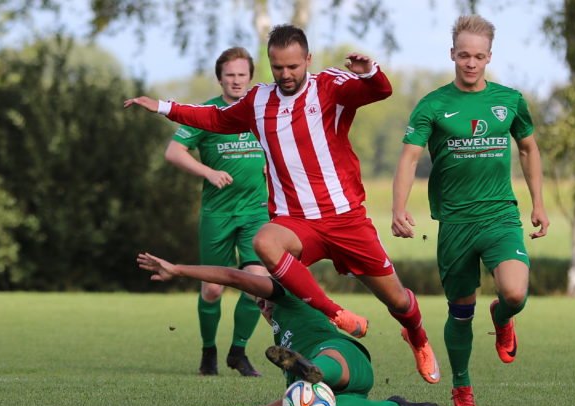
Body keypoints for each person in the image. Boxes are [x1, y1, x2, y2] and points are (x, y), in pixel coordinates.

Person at [124, 24, 441, 386]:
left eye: (293, 66)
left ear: (308, 59)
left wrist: (370, 72)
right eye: (278, 67)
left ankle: (417, 336)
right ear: (270, 64)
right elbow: (214, 118)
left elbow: (380, 91)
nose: (286, 74)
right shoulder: (258, 100)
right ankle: (333, 314)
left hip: (345, 219)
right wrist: (163, 106)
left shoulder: (330, 86)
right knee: (264, 242)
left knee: (398, 302)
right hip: (296, 222)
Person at [391, 15, 550, 406]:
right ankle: (462, 386)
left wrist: (539, 203)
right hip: (455, 224)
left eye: (479, 56)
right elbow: (409, 158)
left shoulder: (510, 101)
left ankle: (503, 317)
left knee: (515, 292)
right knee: (461, 312)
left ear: (489, 57)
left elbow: (529, 149)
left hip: (500, 217)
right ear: (452, 54)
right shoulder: (433, 105)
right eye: (464, 55)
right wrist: (398, 208)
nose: (471, 63)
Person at [136, 251, 445, 406]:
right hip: (346, 390)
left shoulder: (288, 293)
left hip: (348, 360)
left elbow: (231, 276)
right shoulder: (281, 338)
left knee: (324, 359)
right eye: (257, 303)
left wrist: (178, 270)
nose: (261, 303)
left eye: (261, 296)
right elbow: (288, 401)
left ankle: (316, 369)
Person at [163, 47, 269, 377]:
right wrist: (207, 172)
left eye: (242, 75)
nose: (236, 80)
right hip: (217, 214)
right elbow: (173, 151)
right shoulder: (207, 113)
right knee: (212, 289)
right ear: (220, 78)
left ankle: (238, 352)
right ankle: (208, 352)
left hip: (257, 212)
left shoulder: (261, 110)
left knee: (258, 283)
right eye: (230, 75)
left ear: (250, 77)